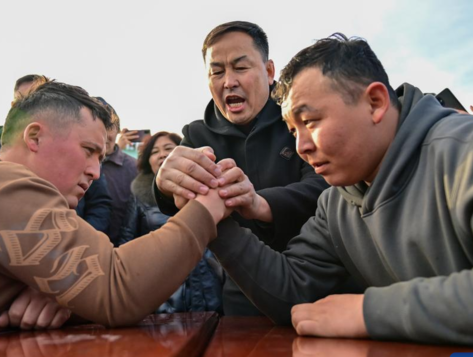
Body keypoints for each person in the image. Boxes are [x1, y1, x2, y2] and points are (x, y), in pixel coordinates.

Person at [203, 33, 473, 345]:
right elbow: (292, 290)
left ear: (375, 102)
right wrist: (215, 216)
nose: (301, 147)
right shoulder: (335, 205)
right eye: (292, 130)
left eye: (311, 121)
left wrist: (370, 313)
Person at [0, 80, 229, 329]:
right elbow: (116, 288)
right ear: (35, 137)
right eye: (88, 151)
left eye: (101, 157)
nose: (96, 172)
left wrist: (62, 295)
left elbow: (98, 285)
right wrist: (206, 208)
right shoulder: (4, 188)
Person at [154, 21, 330, 315]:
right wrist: (163, 183)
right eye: (217, 71)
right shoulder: (197, 135)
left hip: (321, 283)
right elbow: (176, 203)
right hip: (243, 291)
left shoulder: (300, 118)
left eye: (240, 67)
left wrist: (260, 204)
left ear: (270, 71)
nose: (228, 81)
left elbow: (326, 186)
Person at [119, 131, 223, 314]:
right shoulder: (138, 197)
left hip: (210, 288)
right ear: (147, 161)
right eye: (154, 152)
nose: (162, 155)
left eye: (169, 148)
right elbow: (126, 243)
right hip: (163, 293)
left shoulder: (205, 189)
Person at [95, 97, 139, 245]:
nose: (105, 135)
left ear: (118, 130)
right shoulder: (73, 165)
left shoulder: (135, 167)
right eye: (98, 126)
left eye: (109, 127)